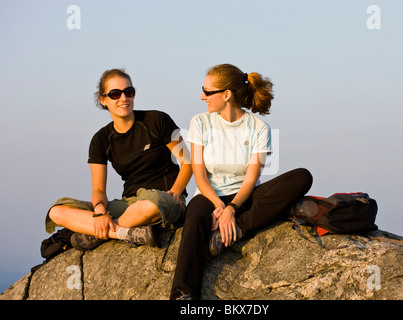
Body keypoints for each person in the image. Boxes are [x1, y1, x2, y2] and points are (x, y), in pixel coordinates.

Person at [170, 64, 313, 300]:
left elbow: (251, 179)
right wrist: (219, 206)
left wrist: (232, 210)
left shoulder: (258, 128)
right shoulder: (200, 122)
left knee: (302, 177)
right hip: (208, 196)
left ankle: (232, 231)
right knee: (194, 219)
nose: (202, 96)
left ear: (226, 94)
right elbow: (200, 174)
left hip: (244, 197)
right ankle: (182, 294)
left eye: (207, 91)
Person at [45, 68, 192, 251]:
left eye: (128, 92)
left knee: (149, 205)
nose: (123, 98)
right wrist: (100, 213)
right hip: (129, 204)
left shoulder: (157, 120)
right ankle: (121, 232)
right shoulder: (100, 140)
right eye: (115, 94)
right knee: (56, 211)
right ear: (103, 100)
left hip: (164, 200)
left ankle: (100, 232)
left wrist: (176, 192)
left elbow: (188, 161)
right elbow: (98, 190)